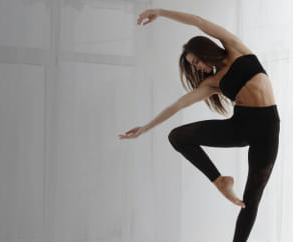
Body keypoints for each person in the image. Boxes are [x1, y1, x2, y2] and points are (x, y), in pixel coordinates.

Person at [118, 8, 281, 242]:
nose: (196, 68)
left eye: (195, 61)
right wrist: (145, 127)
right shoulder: (213, 82)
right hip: (241, 126)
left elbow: (198, 21)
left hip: (267, 130)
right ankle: (220, 181)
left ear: (204, 51)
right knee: (177, 136)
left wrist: (160, 12)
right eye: (192, 65)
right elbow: (178, 105)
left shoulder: (235, 48)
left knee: (251, 199)